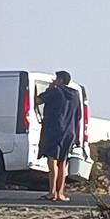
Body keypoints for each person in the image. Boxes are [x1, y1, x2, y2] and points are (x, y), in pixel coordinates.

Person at [36, 71, 82, 201]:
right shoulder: (75, 94)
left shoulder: (55, 91)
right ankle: (60, 193)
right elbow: (78, 116)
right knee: (63, 163)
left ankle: (52, 193)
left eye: (56, 79)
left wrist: (48, 89)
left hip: (54, 130)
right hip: (70, 132)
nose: (54, 81)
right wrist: (78, 138)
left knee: (53, 162)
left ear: (61, 80)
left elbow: (37, 101)